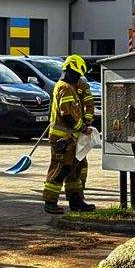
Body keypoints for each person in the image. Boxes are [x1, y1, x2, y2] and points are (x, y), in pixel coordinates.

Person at [43, 54, 97, 214]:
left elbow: (84, 105)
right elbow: (67, 115)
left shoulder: (71, 87)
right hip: (62, 139)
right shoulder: (65, 88)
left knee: (75, 169)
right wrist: (83, 128)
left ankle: (76, 201)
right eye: (77, 75)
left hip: (70, 139)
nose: (78, 78)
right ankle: (50, 202)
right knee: (60, 169)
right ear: (70, 72)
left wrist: (85, 123)